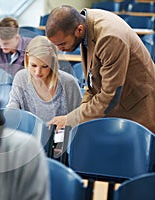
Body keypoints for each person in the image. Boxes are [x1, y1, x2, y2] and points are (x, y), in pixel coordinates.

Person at [45, 5, 155, 133]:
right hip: (120, 102)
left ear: (79, 30)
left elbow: (109, 95)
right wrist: (77, 114)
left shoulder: (110, 38)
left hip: (138, 104)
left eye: (62, 44)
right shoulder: (85, 24)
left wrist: (70, 119)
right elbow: (93, 85)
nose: (59, 49)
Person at [7, 35, 82, 123]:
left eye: (45, 66)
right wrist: (11, 113)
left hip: (60, 135)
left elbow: (80, 115)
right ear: (27, 59)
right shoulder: (21, 77)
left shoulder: (69, 83)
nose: (38, 72)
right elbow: (14, 104)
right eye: (33, 65)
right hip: (29, 134)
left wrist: (69, 120)